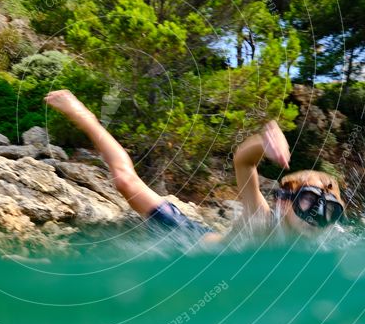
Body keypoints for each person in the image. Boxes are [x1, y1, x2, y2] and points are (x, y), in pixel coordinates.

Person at [44, 90, 344, 244]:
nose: (317, 217)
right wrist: (261, 143)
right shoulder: (262, 220)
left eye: (330, 211)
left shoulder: (320, 244)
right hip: (190, 242)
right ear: (283, 201)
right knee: (125, 181)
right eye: (309, 201)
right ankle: (85, 117)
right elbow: (243, 161)